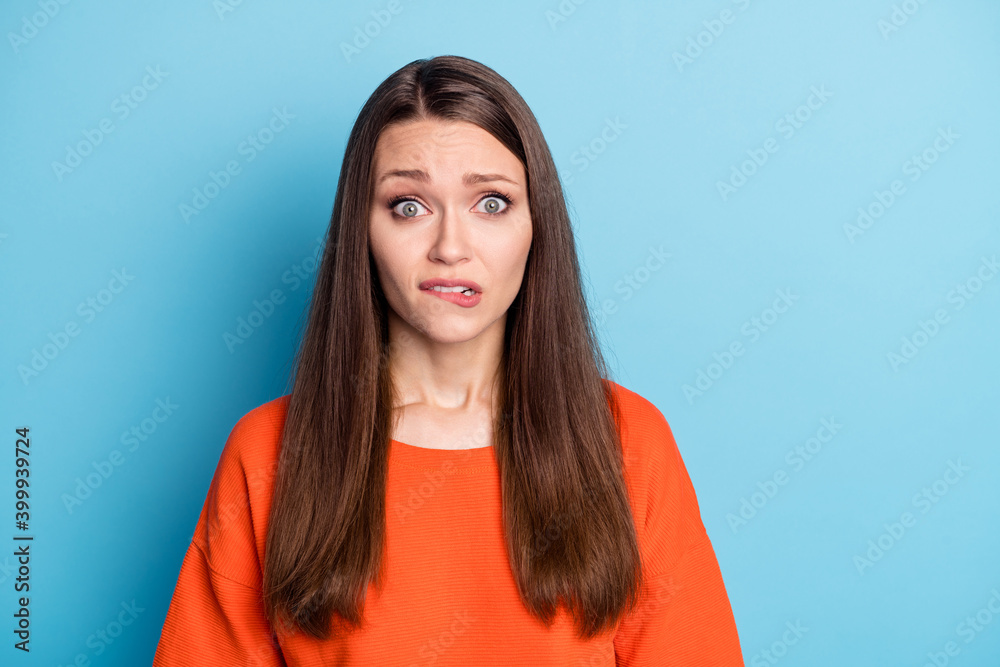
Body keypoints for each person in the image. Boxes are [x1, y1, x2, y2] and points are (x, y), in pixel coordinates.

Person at [152, 54, 743, 666]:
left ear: (537, 225)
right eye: (409, 205)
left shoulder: (628, 442)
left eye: (491, 203)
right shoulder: (268, 451)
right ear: (362, 229)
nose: (450, 248)